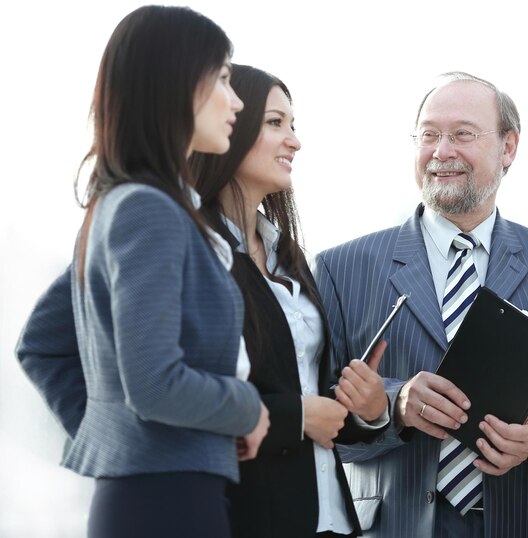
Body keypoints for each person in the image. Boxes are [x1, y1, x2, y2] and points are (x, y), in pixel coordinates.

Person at [313, 71, 528, 537]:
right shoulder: (342, 267)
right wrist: (393, 404)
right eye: (429, 135)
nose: (441, 151)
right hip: (391, 525)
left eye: (462, 134)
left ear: (508, 147)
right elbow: (316, 408)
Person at [15, 6, 269, 538]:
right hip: (167, 502)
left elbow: (42, 344)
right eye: (223, 78)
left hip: (162, 495)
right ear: (176, 83)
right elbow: (154, 385)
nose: (237, 101)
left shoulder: (125, 206)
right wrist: (247, 409)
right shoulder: (146, 210)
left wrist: (127, 440)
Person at [189, 64, 389, 538]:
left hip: (332, 518)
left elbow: (319, 403)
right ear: (228, 124)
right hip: (247, 515)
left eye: (293, 126)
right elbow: (185, 391)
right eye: (276, 123)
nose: (294, 141)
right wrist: (295, 417)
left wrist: (370, 409)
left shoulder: (288, 253)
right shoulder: (195, 246)